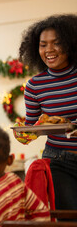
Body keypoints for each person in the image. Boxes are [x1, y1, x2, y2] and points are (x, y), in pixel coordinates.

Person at [18, 14, 77, 210]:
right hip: (57, 160)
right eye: (43, 45)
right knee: (68, 217)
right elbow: (34, 126)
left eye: (56, 43)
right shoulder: (34, 86)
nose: (49, 50)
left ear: (70, 44)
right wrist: (24, 133)